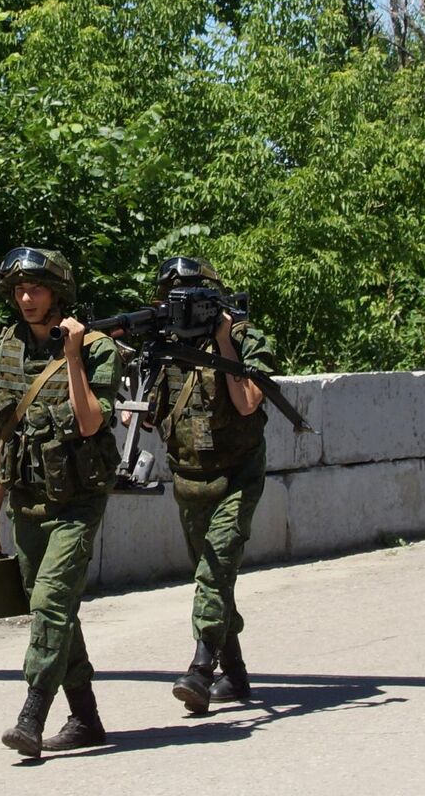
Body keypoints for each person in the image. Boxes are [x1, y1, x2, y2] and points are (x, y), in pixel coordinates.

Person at [0, 246, 122, 759]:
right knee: (57, 611)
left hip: (77, 502)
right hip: (27, 501)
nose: (25, 297)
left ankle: (31, 714)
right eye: (18, 289)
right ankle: (85, 718)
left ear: (58, 292)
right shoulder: (6, 351)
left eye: (36, 287)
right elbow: (0, 436)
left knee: (51, 604)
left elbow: (88, 423)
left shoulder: (100, 349)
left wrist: (75, 355)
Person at [142, 256, 277, 715]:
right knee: (214, 578)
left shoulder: (244, 339)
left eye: (194, 299)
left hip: (237, 474)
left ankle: (201, 668)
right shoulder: (163, 344)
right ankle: (235, 675)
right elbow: (147, 407)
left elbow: (247, 404)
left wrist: (222, 341)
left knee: (214, 570)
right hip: (189, 476)